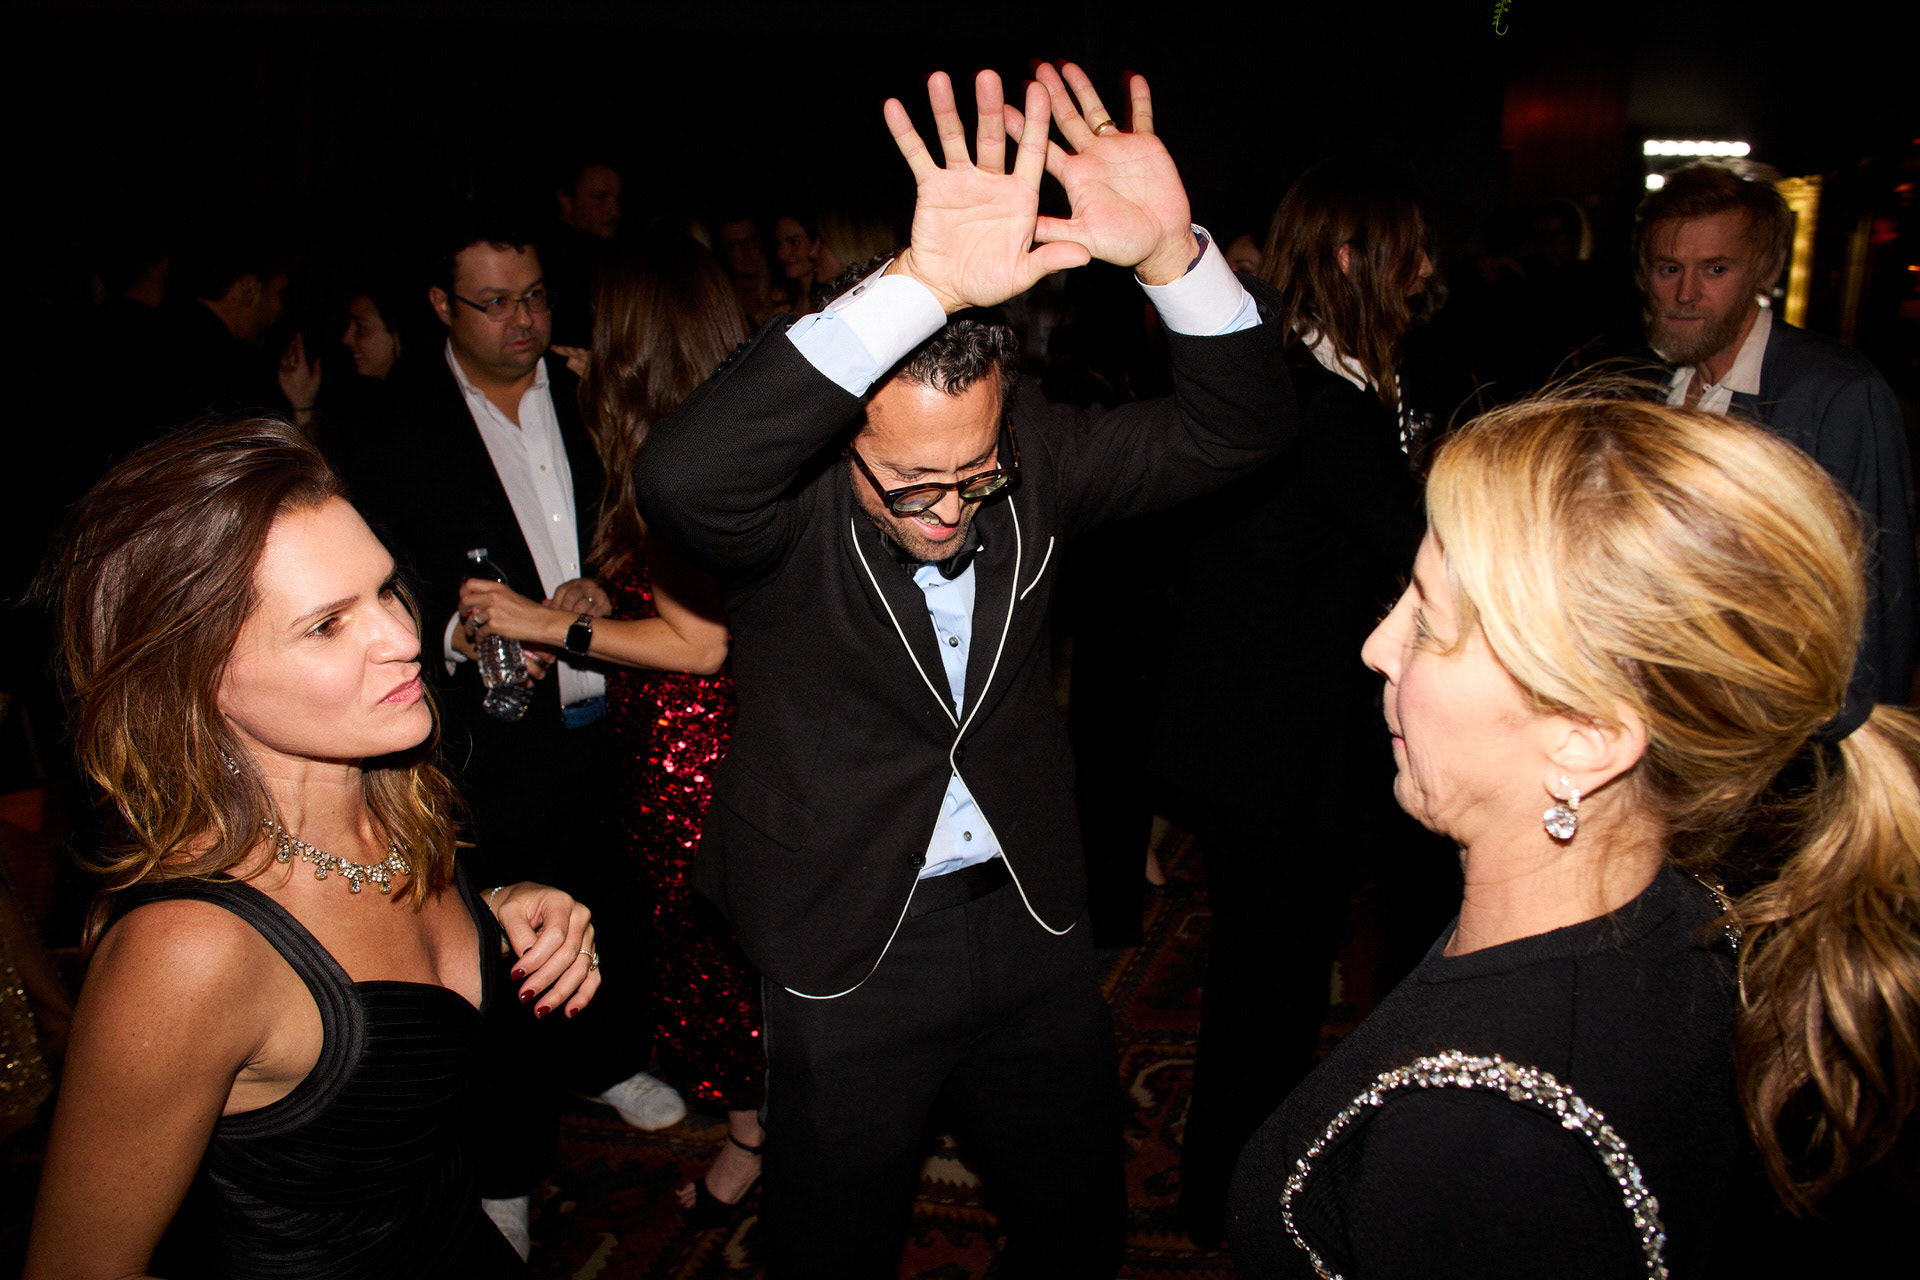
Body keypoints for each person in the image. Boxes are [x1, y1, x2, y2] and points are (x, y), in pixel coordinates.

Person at [635, 64, 1294, 1277]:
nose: (948, 510)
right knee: (829, 1247)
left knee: (1078, 1225)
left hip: (1031, 916)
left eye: (974, 475)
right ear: (842, 444)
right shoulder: (783, 512)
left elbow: (1240, 427)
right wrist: (924, 284)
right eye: (911, 484)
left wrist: (1172, 258)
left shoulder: (1039, 459)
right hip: (846, 935)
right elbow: (677, 479)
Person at [1229, 396, 1920, 1278]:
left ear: (1586, 738)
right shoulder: (1693, 920)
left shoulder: (1481, 1148)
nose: (1377, 646)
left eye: (1430, 623)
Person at [24, 418, 602, 1278]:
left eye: (385, 590)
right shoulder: (185, 953)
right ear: (199, 678)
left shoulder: (394, 800)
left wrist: (495, 911)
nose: (403, 638)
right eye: (327, 625)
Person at [331, 211, 678, 1258]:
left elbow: (635, 515)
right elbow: (381, 574)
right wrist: (458, 633)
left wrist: (600, 586)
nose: (521, 319)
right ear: (443, 306)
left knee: (611, 889)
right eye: (494, 302)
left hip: (608, 695)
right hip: (487, 728)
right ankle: (507, 1162)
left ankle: (608, 1058)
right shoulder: (391, 424)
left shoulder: (584, 390)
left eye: (533, 296)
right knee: (503, 945)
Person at [1153, 158, 1438, 1246]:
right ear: (1355, 258)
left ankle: (1228, 1187)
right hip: (1274, 744)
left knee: (1263, 974)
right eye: (1408, 250)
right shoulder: (1327, 406)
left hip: (1248, 727)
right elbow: (1420, 544)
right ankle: (1234, 1202)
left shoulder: (1291, 376)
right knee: (1269, 985)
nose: (1426, 270)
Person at [457, 234, 764, 1223]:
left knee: (717, 955)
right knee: (723, 947)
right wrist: (604, 590)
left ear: (635, 338)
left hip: (695, 746)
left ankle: (760, 1135)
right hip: (686, 736)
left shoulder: (684, 450)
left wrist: (547, 622)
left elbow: (700, 644)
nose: (569, 337)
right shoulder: (699, 423)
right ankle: (772, 1124)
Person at [1637, 159, 1917, 707]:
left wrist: (1856, 739)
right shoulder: (1651, 384)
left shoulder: (1834, 393)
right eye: (1669, 268)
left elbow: (1878, 599)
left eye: (1715, 269)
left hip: (1778, 720)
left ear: (1766, 272)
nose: (1686, 293)